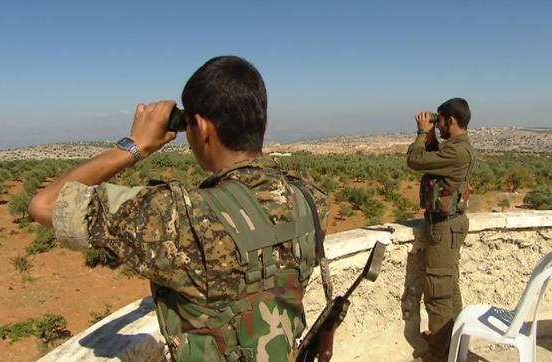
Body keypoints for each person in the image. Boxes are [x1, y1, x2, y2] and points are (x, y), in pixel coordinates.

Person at [29, 55, 330, 361]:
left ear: (200, 127)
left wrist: (135, 145)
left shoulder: (180, 217)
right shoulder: (310, 197)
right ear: (260, 121)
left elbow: (44, 205)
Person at [406, 98, 475, 362]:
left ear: (452, 120)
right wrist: (433, 134)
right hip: (450, 224)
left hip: (444, 227)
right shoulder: (458, 147)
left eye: (440, 121)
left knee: (437, 290)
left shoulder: (457, 152)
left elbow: (415, 160)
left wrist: (423, 132)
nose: (438, 124)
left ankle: (438, 355)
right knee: (449, 287)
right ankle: (451, 343)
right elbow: (434, 159)